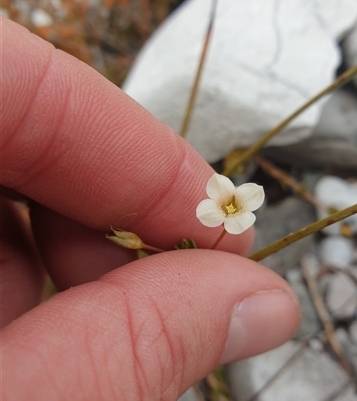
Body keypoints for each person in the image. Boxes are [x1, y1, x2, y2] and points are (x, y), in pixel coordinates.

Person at [1, 17, 300, 400]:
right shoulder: (219, 208)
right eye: (227, 204)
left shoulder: (232, 208)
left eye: (231, 205)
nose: (228, 205)